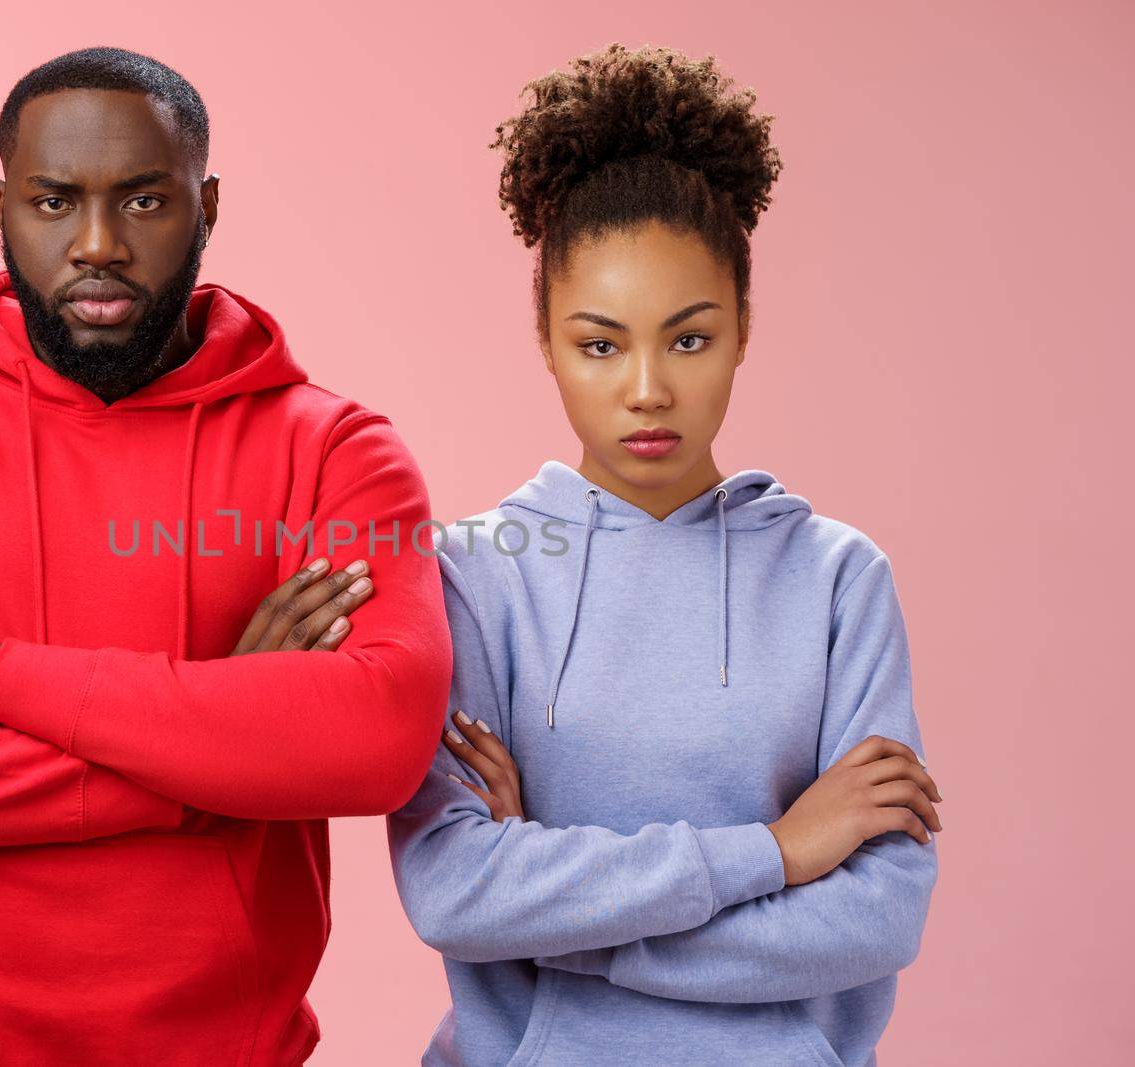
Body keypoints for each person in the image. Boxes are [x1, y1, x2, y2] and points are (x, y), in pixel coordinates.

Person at [0, 47, 451, 1066]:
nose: (96, 244)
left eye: (144, 201)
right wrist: (215, 744)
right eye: (54, 201)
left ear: (208, 205)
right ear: (4, 204)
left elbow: (376, 738)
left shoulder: (333, 448)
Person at [387, 44, 941, 1066]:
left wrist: (563, 927)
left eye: (687, 338)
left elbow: (875, 922)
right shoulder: (474, 572)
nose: (645, 389)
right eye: (600, 343)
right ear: (545, 338)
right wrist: (777, 850)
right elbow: (455, 888)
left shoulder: (835, 578)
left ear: (741, 330)